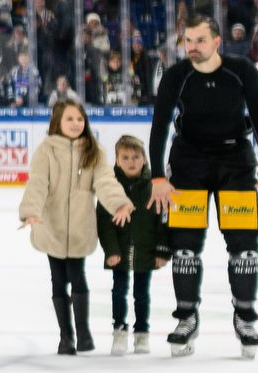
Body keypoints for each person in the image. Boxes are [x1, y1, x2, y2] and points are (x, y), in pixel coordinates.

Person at [149, 14, 258, 355]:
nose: (192, 47)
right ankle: (186, 318)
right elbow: (160, 125)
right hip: (188, 163)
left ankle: (245, 318)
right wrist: (158, 177)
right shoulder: (176, 75)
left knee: (244, 247)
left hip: (235, 162)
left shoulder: (241, 71)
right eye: (188, 41)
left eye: (200, 41)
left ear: (217, 41)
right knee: (184, 247)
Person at [19, 95, 119, 357]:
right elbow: (37, 183)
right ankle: (66, 337)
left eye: (80, 119)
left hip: (79, 227)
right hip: (51, 226)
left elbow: (106, 182)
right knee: (58, 279)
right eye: (70, 119)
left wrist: (119, 203)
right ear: (57, 122)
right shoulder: (46, 151)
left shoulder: (94, 151)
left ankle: (83, 334)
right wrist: (30, 211)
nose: (76, 123)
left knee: (77, 276)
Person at [97, 133, 165, 354]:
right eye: (125, 158)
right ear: (117, 161)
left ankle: (142, 333)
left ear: (144, 159)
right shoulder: (110, 187)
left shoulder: (154, 185)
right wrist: (111, 250)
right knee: (119, 291)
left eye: (136, 157)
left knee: (142, 294)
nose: (131, 162)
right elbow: (104, 223)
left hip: (146, 250)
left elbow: (163, 220)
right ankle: (119, 331)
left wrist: (162, 250)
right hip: (120, 250)